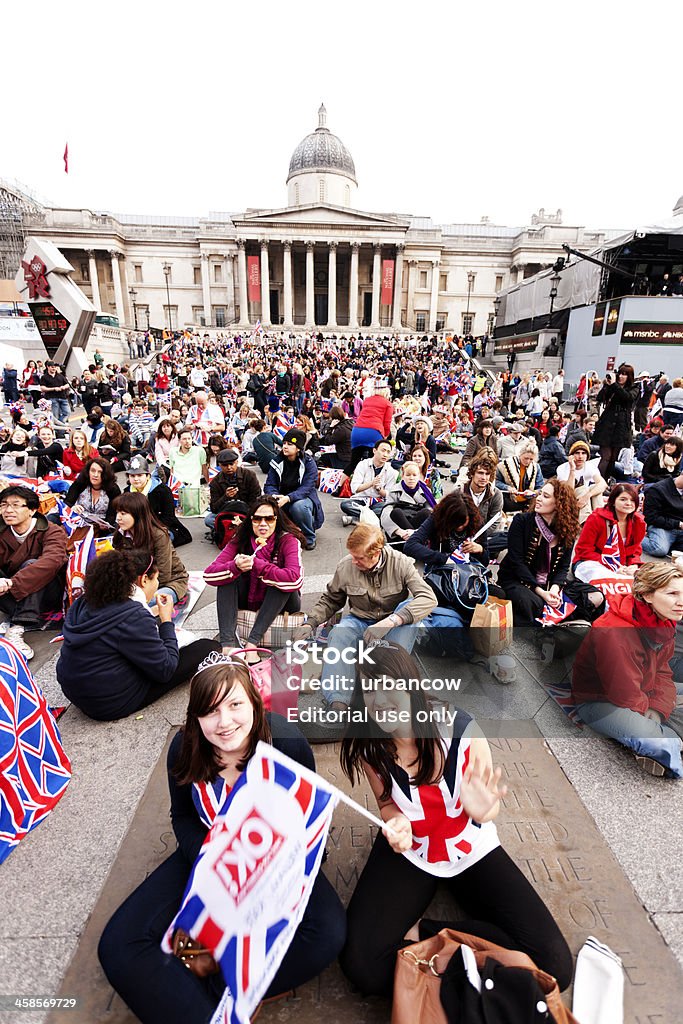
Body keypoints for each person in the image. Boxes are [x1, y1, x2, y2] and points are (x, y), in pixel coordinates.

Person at [98, 656, 346, 1024]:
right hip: (207, 855)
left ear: (254, 702)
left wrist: (265, 884)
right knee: (120, 946)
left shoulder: (287, 745)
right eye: (211, 710)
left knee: (326, 933)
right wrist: (210, 865)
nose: (225, 722)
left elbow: (311, 827)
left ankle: (223, 981)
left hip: (276, 861)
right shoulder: (183, 749)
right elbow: (182, 815)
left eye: (235, 705)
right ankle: (201, 986)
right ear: (196, 716)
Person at [339, 643, 573, 996]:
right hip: (412, 850)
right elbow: (387, 803)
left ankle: (430, 932)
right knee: (362, 967)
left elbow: (487, 807)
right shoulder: (370, 741)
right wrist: (395, 822)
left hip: (469, 848)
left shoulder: (459, 731)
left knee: (554, 966)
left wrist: (484, 809)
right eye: (369, 689)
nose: (378, 699)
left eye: (390, 686)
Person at [57, 548, 219, 721]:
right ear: (143, 580)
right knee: (208, 647)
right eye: (156, 579)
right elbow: (166, 669)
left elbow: (116, 631)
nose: (157, 585)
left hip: (74, 690)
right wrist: (166, 621)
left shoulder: (87, 600)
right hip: (107, 703)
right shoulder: (133, 616)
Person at [293, 524, 437, 714]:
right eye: (352, 556)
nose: (353, 561)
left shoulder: (401, 563)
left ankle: (387, 693)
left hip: (392, 623)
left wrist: (391, 622)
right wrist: (310, 622)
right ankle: (338, 702)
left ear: (376, 553)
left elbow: (428, 598)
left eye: (359, 558)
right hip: (359, 620)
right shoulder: (346, 565)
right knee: (338, 634)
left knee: (409, 617)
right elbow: (331, 599)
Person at [572, 562, 683, 778]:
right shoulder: (615, 632)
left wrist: (659, 709)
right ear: (647, 595)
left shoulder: (664, 620)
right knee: (657, 742)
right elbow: (623, 694)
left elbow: (662, 672)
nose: (681, 602)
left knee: (660, 715)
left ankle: (666, 734)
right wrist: (653, 711)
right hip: (601, 702)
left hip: (644, 688)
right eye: (672, 593)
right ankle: (666, 740)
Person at [204, 496, 303, 659]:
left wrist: (261, 566)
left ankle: (252, 643)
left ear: (277, 520)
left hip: (282, 602)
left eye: (269, 519)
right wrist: (234, 567)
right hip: (248, 599)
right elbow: (209, 574)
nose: (263, 524)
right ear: (250, 521)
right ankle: (228, 644)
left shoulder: (288, 540)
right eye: (257, 519)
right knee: (227, 576)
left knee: (281, 579)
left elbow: (295, 579)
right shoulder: (240, 540)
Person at [497, 478, 604, 625]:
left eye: (545, 496)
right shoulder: (522, 521)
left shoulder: (568, 530)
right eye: (540, 494)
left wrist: (554, 589)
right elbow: (517, 563)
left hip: (550, 584)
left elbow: (563, 567)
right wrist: (542, 593)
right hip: (518, 580)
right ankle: (559, 622)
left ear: (559, 504)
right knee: (533, 603)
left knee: (595, 596)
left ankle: (560, 621)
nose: (538, 498)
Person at [0, 484, 68, 658]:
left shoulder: (51, 531)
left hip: (47, 593)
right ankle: (20, 618)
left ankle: (17, 627)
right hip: (8, 594)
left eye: (15, 505)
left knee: (33, 564)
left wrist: (13, 583)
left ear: (31, 510)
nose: (8, 510)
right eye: (3, 505)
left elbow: (52, 561)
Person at [112, 491, 189, 604]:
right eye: (117, 512)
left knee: (141, 603)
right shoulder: (120, 535)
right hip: (137, 582)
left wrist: (137, 591)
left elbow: (163, 575)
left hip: (168, 582)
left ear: (137, 514)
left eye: (123, 513)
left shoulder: (159, 535)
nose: (118, 518)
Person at [264, 428, 324, 552]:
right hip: (282, 498)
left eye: (290, 444)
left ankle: (309, 537)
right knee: (264, 503)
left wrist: (288, 498)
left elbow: (307, 488)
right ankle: (278, 536)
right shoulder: (277, 461)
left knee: (298, 507)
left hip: (303, 500)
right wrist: (274, 495)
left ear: (298, 448)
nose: (285, 447)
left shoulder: (308, 463)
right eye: (284, 443)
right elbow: (269, 484)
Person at [573, 483, 645, 584]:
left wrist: (634, 565)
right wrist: (612, 565)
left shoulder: (637, 522)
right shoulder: (596, 518)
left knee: (647, 580)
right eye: (623, 499)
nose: (629, 503)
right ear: (613, 502)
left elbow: (635, 552)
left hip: (622, 566)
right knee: (610, 581)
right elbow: (583, 550)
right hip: (591, 563)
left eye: (632, 500)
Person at [124, 455, 192, 547]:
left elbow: (168, 517)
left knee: (155, 541)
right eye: (132, 476)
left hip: (160, 527)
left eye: (140, 475)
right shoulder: (127, 492)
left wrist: (148, 530)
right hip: (135, 528)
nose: (136, 479)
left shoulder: (162, 490)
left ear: (148, 476)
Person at [592, 363, 639, 479]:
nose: (621, 377)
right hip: (607, 423)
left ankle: (606, 480)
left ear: (630, 376)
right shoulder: (613, 386)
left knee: (613, 457)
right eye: (620, 374)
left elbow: (627, 398)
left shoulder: (634, 388)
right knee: (606, 456)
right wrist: (607, 386)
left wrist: (614, 385)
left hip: (621, 425)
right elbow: (600, 398)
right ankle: (597, 481)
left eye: (625, 375)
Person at [340, 438, 396, 526]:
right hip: (361, 499)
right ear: (374, 450)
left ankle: (355, 519)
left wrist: (379, 490)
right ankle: (371, 519)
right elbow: (354, 488)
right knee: (345, 504)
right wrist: (371, 483)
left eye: (388, 452)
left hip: (378, 502)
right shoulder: (362, 464)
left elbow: (388, 495)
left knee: (387, 509)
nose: (385, 455)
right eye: (383, 451)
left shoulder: (392, 472)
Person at [205, 448, 261, 533]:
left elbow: (256, 498)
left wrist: (243, 512)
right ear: (219, 465)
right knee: (209, 520)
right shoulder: (215, 482)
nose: (229, 468)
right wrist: (226, 497)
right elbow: (214, 508)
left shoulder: (249, 475)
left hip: (247, 512)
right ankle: (236, 528)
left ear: (237, 462)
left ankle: (233, 528)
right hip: (227, 513)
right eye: (225, 465)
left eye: (231, 464)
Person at [380, 461, 435, 541]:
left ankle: (413, 540)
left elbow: (431, 513)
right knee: (396, 512)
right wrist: (399, 531)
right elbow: (385, 514)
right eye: (408, 475)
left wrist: (414, 532)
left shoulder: (426, 491)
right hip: (400, 531)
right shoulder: (394, 491)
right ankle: (414, 541)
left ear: (419, 476)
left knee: (426, 512)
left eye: (414, 475)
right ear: (403, 476)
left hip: (418, 529)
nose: (411, 478)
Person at [556, 440, 607, 524]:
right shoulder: (562, 468)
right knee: (582, 489)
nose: (580, 456)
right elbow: (568, 491)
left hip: (583, 498)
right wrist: (572, 468)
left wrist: (588, 495)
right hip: (569, 498)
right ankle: (586, 523)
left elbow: (603, 484)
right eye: (577, 453)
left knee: (595, 489)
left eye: (583, 453)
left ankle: (600, 520)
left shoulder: (590, 466)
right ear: (571, 455)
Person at [64, 457, 121, 528]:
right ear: (88, 471)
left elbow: (112, 515)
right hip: (79, 523)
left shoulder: (113, 489)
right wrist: (73, 508)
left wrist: (106, 525)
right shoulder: (80, 482)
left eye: (100, 472)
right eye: (93, 471)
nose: (95, 475)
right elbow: (67, 503)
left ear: (106, 474)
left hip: (102, 527)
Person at [495, 441, 544, 512]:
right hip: (508, 502)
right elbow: (496, 481)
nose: (528, 461)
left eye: (531, 459)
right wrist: (507, 488)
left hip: (528, 503)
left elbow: (540, 487)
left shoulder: (536, 467)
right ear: (520, 455)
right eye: (526, 458)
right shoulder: (505, 464)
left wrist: (533, 492)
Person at [642, 473, 683, 557]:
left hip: (680, 529)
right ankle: (633, 538)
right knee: (659, 549)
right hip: (661, 526)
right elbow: (651, 517)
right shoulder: (657, 490)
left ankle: (672, 546)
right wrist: (678, 524)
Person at [318, 405, 352, 469]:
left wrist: (330, 427)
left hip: (344, 458)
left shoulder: (341, 429)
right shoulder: (350, 423)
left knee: (323, 458)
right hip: (351, 455)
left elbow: (328, 441)